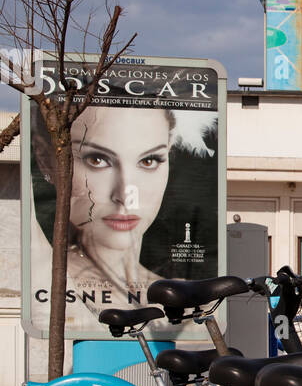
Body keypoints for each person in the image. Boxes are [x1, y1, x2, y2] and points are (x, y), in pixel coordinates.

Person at [30, 101, 216, 333]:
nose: (125, 195)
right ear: (46, 159)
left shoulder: (189, 298)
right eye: (96, 159)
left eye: (149, 161)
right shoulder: (47, 283)